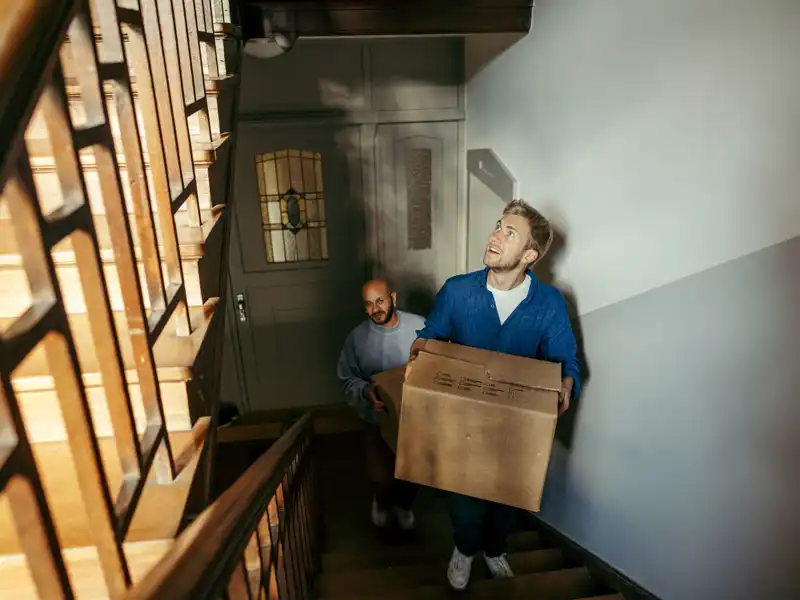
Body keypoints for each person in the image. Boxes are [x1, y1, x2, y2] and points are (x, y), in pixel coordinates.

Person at [406, 199, 580, 590]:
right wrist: (420, 351)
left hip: (515, 434)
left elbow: (565, 358)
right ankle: (464, 550)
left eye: (509, 232)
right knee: (465, 510)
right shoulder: (456, 291)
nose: (495, 236)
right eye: (498, 225)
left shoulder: (550, 303)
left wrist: (567, 382)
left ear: (529, 254)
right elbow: (430, 336)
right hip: (462, 427)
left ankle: (495, 550)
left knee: (505, 507)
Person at [337, 279, 425, 530]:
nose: (375, 309)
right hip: (375, 419)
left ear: (393, 298)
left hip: (414, 420)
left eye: (380, 301)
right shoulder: (356, 338)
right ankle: (382, 502)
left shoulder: (420, 327)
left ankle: (404, 506)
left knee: (413, 473)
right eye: (368, 304)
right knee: (381, 475)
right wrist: (366, 391)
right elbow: (346, 379)